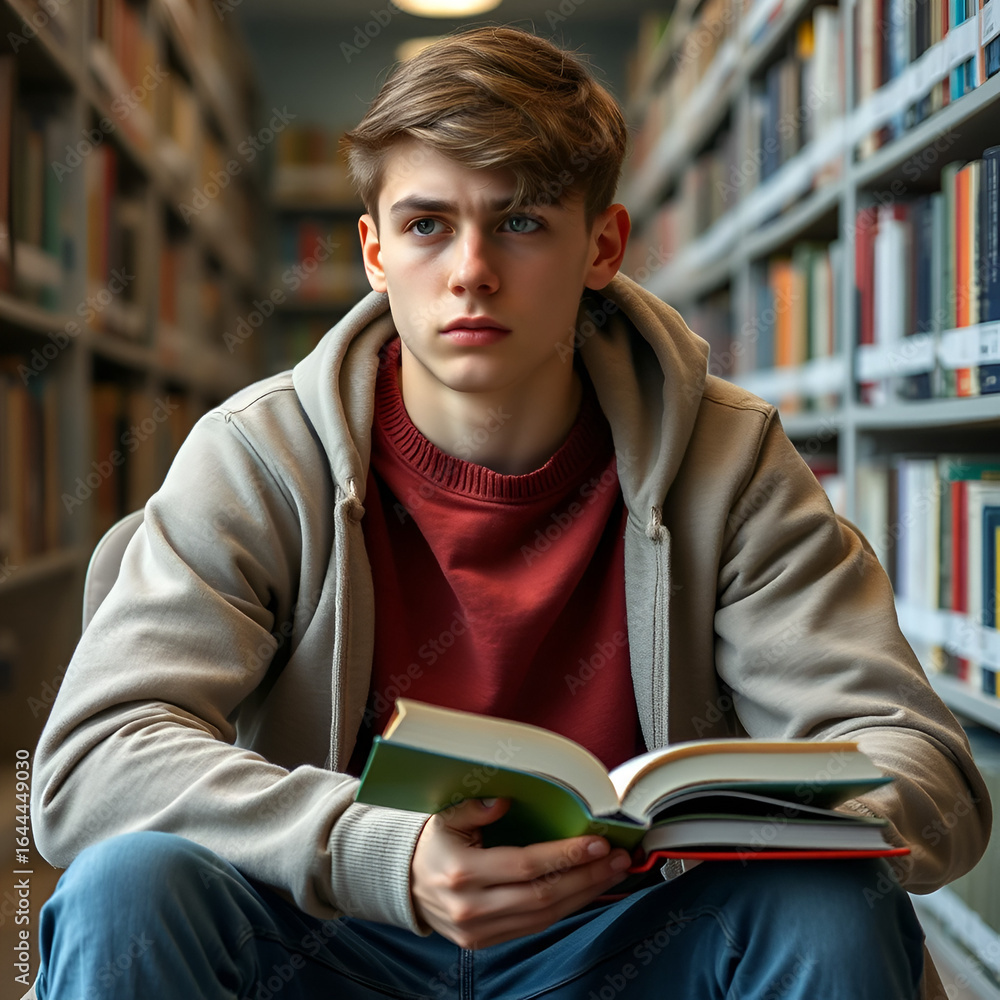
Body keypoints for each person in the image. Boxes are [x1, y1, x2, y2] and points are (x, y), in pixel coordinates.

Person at [27, 25, 990, 1000]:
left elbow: (926, 775)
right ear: (372, 252)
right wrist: (377, 853)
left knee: (831, 902)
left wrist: (747, 819)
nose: (471, 270)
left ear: (601, 246)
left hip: (628, 943)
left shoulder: (728, 460)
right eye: (426, 225)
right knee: (127, 885)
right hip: (337, 939)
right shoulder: (260, 458)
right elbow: (90, 766)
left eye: (521, 222)